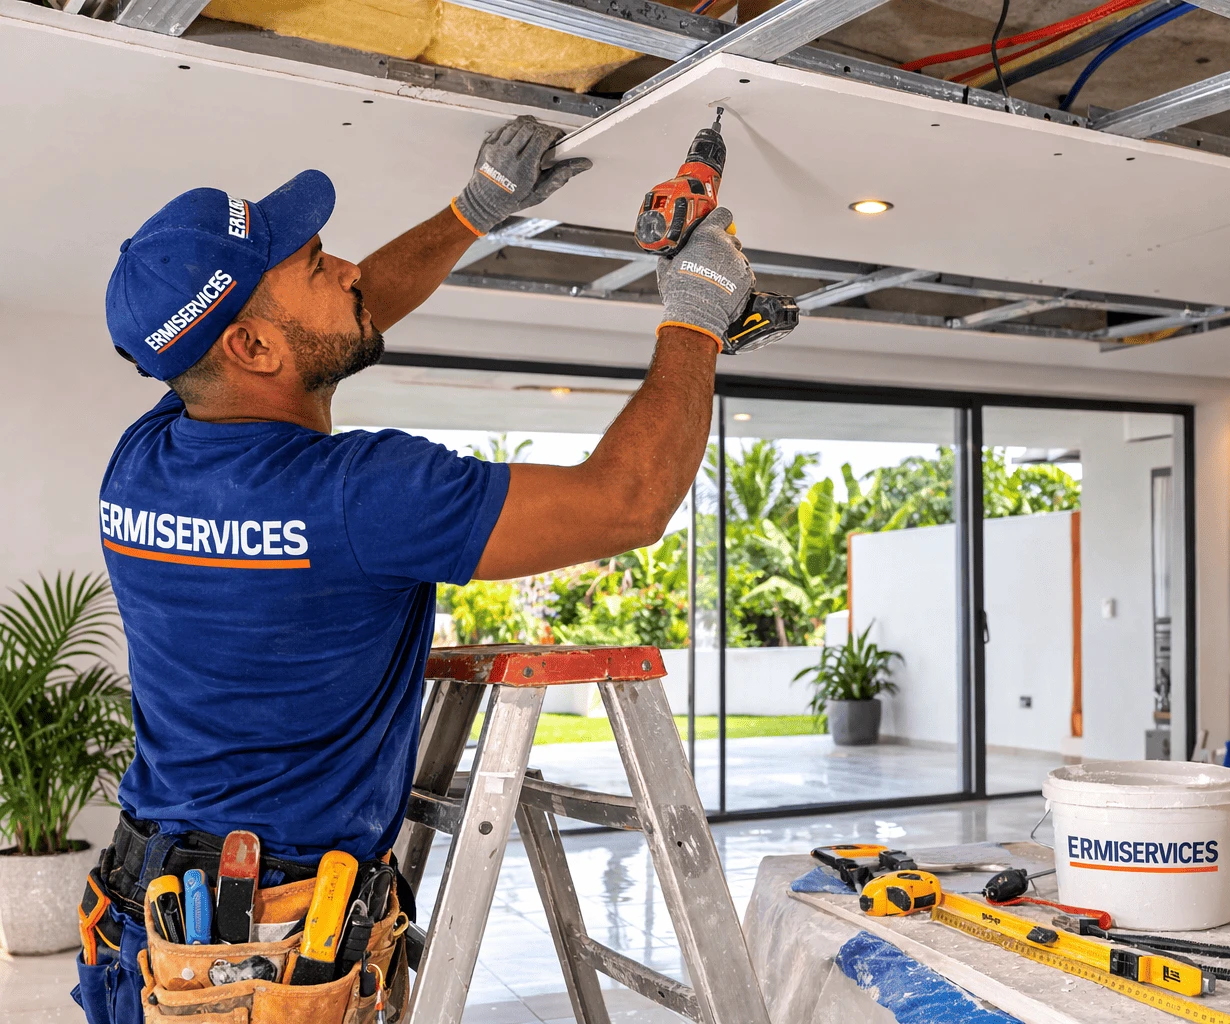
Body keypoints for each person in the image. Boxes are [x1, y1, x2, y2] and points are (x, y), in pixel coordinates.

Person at [74, 116, 770, 1024]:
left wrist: (471, 213)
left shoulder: (146, 458)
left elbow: (321, 335)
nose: (353, 271)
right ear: (249, 350)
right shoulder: (361, 496)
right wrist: (696, 315)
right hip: (265, 952)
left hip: (147, 933)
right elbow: (628, 502)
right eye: (320, 266)